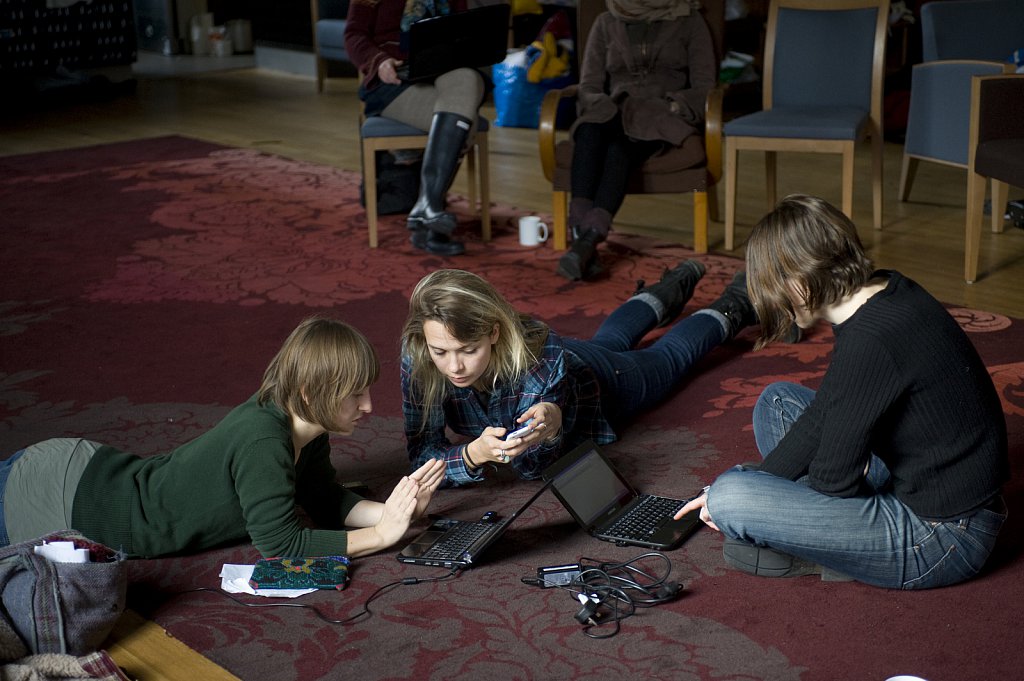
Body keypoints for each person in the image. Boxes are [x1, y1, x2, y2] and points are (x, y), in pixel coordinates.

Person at [676, 195, 1010, 589]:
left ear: (798, 284)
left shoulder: (871, 341)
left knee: (730, 497)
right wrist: (768, 481)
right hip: (928, 479)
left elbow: (834, 482)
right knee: (777, 402)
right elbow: (828, 409)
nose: (778, 308)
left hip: (943, 537)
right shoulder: (888, 290)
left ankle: (834, 552)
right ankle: (809, 523)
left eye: (773, 292)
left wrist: (736, 498)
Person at [0, 317, 446, 559]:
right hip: (62, 500)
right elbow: (282, 544)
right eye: (355, 396)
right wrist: (382, 537)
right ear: (312, 393)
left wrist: (393, 512)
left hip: (86, 471)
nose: (369, 407)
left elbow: (323, 499)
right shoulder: (264, 443)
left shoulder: (307, 424)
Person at [400, 262, 766, 485]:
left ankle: (737, 302)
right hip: (568, 358)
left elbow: (531, 468)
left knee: (668, 358)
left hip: (599, 381)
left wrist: (552, 427)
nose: (454, 367)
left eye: (469, 350)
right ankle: (669, 288)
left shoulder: (539, 360)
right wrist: (472, 455)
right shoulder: (418, 353)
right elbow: (421, 457)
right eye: (441, 352)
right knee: (611, 339)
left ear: (494, 332)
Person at [557, 0, 716, 280]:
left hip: (660, 115)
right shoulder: (606, 21)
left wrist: (676, 105)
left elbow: (705, 85)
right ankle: (584, 242)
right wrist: (598, 103)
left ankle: (586, 242)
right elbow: (589, 84)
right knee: (589, 131)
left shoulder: (689, 19)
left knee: (619, 151)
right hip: (613, 108)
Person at [344, 0, 488, 256]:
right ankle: (431, 223)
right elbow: (353, 34)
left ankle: (427, 207)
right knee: (467, 121)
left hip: (443, 72)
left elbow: (464, 28)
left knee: (468, 77)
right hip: (395, 79)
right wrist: (379, 62)